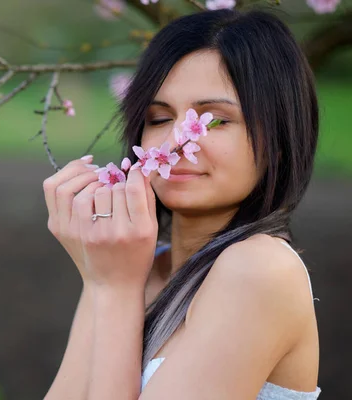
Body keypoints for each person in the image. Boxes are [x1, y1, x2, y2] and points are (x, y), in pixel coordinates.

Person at [42, 8, 321, 400]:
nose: (176, 144)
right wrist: (102, 281)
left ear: (276, 143)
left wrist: (116, 290)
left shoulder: (260, 270)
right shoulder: (128, 263)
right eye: (158, 117)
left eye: (214, 121)